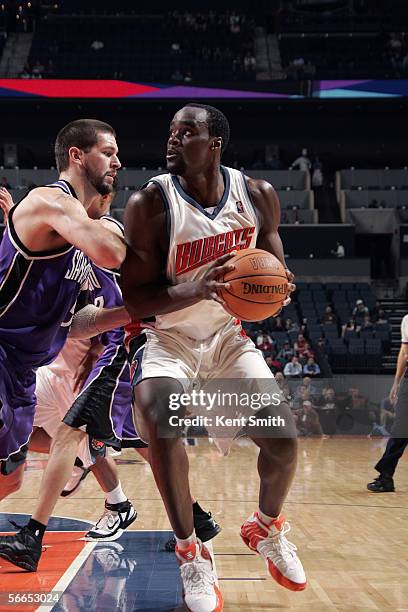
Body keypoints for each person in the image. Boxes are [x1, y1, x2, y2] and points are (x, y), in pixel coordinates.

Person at [121, 104, 306, 610]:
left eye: (188, 133)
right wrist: (198, 288)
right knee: (161, 422)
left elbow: (273, 273)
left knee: (285, 443)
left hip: (226, 339)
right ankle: (191, 553)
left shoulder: (258, 196)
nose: (174, 140)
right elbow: (136, 301)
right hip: (172, 340)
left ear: (215, 144)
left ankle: (265, 528)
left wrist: (278, 291)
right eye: (172, 132)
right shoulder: (150, 203)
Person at [0, 119, 124, 504]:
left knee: (10, 482)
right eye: (108, 152)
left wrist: (130, 311)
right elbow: (113, 252)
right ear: (76, 155)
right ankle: (117, 500)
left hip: (22, 370)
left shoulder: (72, 235)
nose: (117, 162)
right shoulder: (49, 201)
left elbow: (74, 325)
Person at [367, 314, 408, 492]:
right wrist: (396, 382)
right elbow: (404, 352)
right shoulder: (407, 319)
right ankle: (385, 477)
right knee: (401, 428)